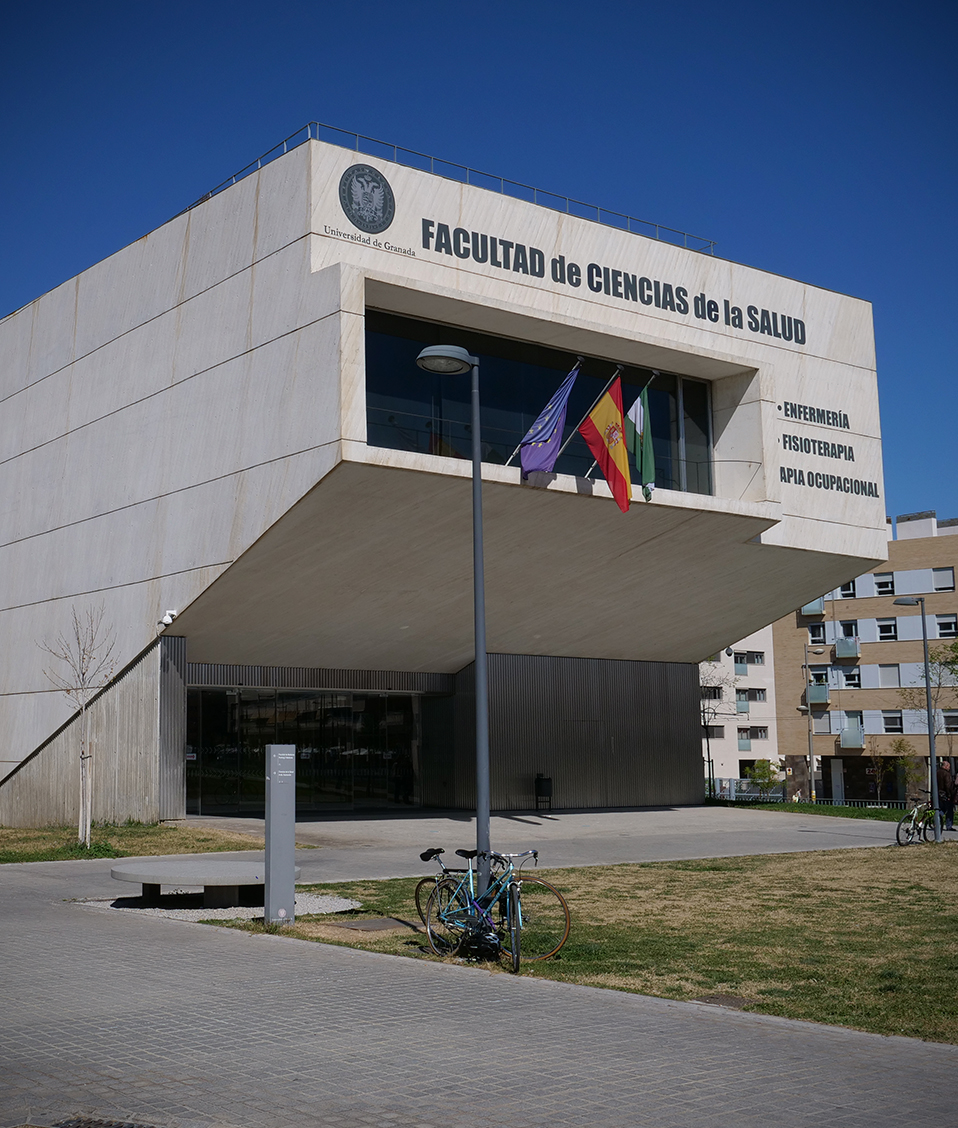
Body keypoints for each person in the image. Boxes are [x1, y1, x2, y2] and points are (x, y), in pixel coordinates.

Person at [937, 757, 955, 831]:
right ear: (946, 766)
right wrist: (950, 795)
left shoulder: (937, 772)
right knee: (949, 810)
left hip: (938, 794)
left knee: (942, 809)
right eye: (949, 767)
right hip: (945, 795)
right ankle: (949, 825)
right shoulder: (946, 774)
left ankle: (936, 820)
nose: (949, 768)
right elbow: (948, 786)